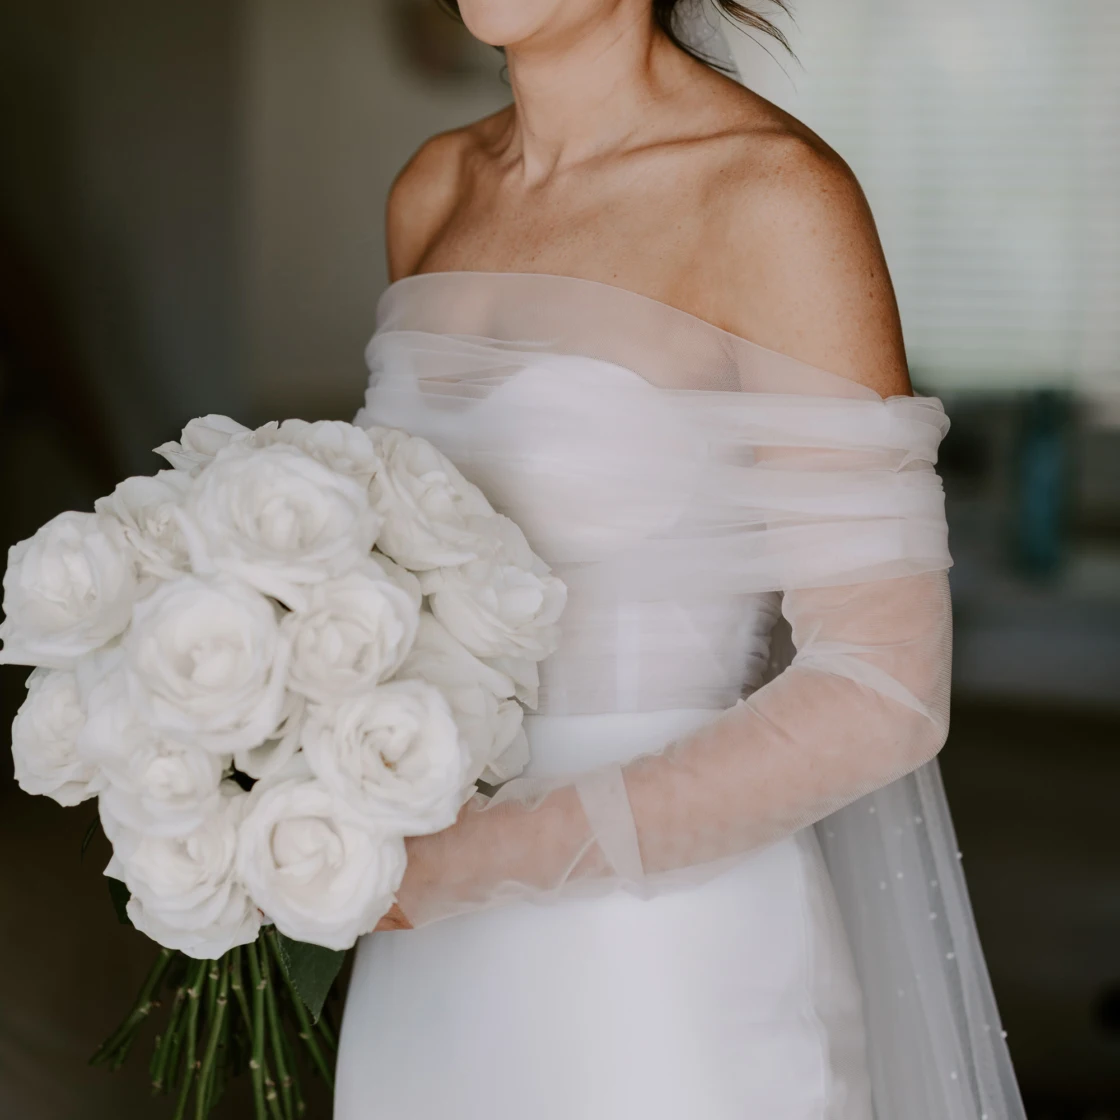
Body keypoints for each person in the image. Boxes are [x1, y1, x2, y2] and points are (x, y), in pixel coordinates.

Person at [336, 2, 1025, 1117]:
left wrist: (470, 864)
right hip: (421, 963)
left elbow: (884, 687)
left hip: (662, 965)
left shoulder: (771, 195)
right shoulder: (433, 191)